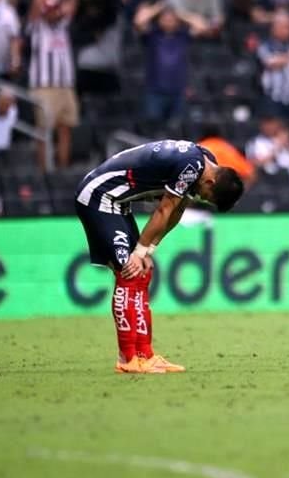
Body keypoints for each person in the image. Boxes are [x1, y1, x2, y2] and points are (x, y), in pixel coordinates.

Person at [74, 139, 244, 373]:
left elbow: (177, 210)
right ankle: (127, 360)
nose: (202, 198)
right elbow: (164, 209)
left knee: (142, 271)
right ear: (210, 181)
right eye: (206, 196)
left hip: (118, 202)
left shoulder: (205, 163)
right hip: (98, 197)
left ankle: (146, 356)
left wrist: (149, 249)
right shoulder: (191, 166)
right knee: (129, 272)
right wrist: (140, 250)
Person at [28, 0, 79, 168]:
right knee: (44, 131)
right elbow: (36, 2)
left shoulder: (63, 25)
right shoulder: (37, 25)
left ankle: (62, 169)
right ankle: (44, 174)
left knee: (65, 128)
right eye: (50, 9)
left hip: (65, 85)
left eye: (57, 9)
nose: (55, 12)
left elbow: (74, 1)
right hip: (44, 85)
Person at [133, 2, 193, 128]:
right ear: (159, 20)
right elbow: (138, 21)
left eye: (172, 19)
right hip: (155, 91)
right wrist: (159, 7)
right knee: (154, 130)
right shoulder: (152, 35)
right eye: (165, 18)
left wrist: (179, 13)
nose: (168, 21)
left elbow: (202, 26)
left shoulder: (182, 36)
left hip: (178, 91)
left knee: (177, 131)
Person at [257, 11, 289, 120]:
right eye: (286, 27)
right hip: (275, 99)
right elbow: (271, 63)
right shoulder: (266, 45)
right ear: (275, 28)